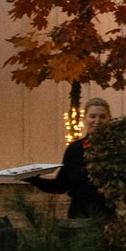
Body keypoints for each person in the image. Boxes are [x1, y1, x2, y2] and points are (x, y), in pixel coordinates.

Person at [45, 93, 113, 221]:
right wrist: (32, 178)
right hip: (78, 216)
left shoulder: (117, 149)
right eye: (92, 116)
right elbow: (61, 186)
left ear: (110, 119)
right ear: (84, 119)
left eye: (102, 116)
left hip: (108, 218)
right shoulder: (74, 149)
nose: (97, 121)